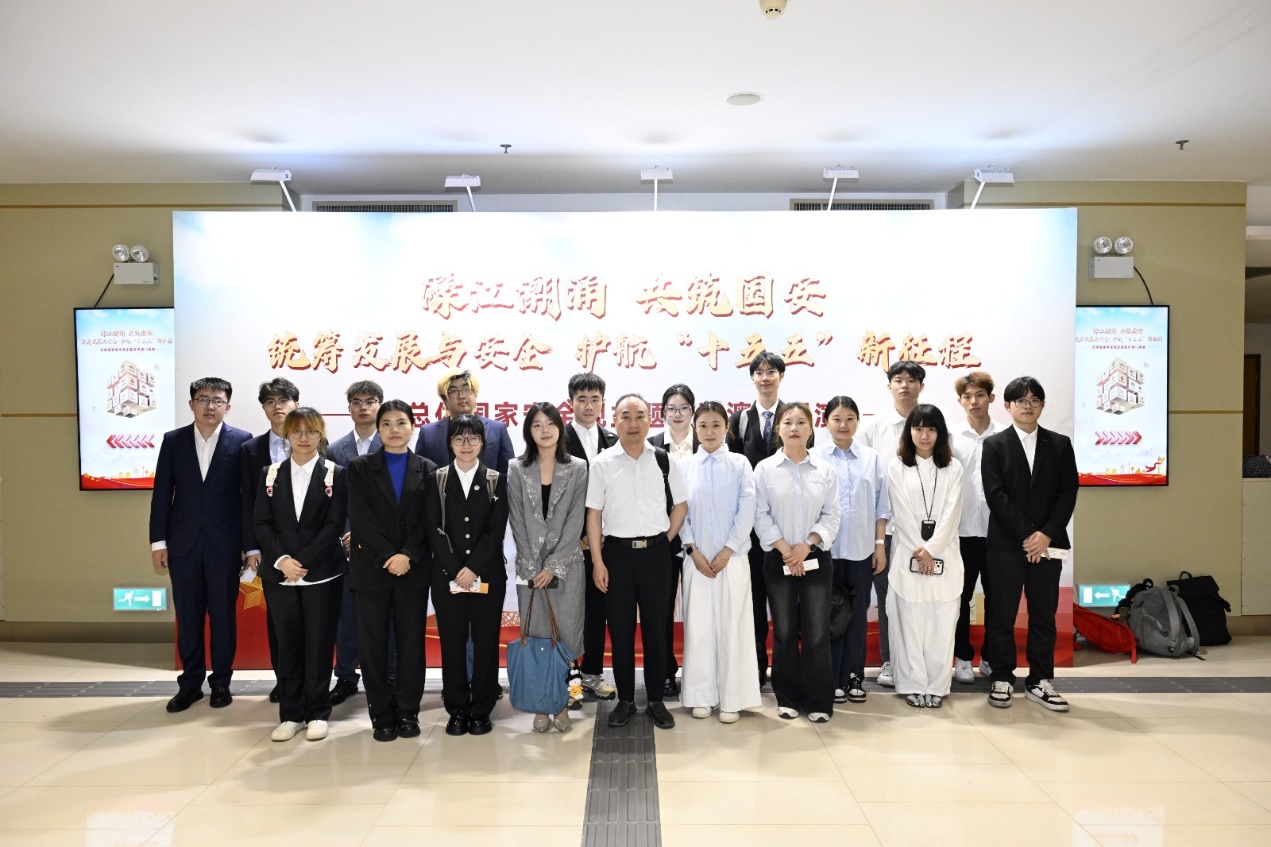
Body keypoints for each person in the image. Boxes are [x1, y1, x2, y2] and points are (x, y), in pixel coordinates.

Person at [149, 377, 253, 712]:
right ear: (191, 403)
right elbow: (162, 494)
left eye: (217, 400)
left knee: (223, 616)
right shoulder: (174, 441)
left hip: (225, 544)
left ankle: (221, 683)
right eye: (203, 399)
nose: (210, 406)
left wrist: (249, 544)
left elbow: (247, 498)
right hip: (183, 544)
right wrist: (158, 542)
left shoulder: (243, 441)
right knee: (189, 616)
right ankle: (190, 684)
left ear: (228, 406)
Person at [586, 394, 688, 731]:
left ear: (650, 420)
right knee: (621, 630)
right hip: (616, 555)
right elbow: (594, 514)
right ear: (614, 421)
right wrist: (598, 562)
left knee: (657, 629)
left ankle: (656, 699)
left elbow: (681, 505)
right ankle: (626, 699)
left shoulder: (663, 459)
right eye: (626, 416)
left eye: (640, 416)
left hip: (656, 555)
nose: (633, 423)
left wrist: (664, 541)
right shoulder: (602, 463)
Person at [981, 376, 1079, 712]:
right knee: (1001, 614)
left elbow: (1068, 492)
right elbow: (996, 495)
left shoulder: (1060, 444)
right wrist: (1028, 536)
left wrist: (1046, 534)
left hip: (1050, 544)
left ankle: (1040, 680)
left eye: (1034, 400)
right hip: (1007, 546)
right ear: (1007, 406)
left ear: (1042, 405)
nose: (1027, 406)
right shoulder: (994, 445)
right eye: (1020, 401)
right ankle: (1002, 677)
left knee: (1044, 615)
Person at [253, 407, 347, 742]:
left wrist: (302, 561)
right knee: (287, 644)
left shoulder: (336, 473)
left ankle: (318, 712)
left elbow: (334, 524)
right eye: (296, 431)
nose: (304, 438)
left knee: (319, 644)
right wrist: (282, 561)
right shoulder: (270, 473)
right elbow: (261, 523)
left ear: (321, 434)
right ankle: (291, 714)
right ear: (287, 435)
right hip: (280, 575)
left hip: (322, 573)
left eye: (311, 431)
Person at [346, 400, 435, 742]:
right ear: (378, 429)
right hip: (372, 569)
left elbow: (429, 520)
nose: (394, 430)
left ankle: (408, 711)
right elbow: (360, 517)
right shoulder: (359, 467)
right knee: (373, 644)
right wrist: (388, 556)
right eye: (386, 423)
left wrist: (408, 554)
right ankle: (381, 713)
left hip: (413, 570)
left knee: (411, 642)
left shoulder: (428, 469)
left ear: (413, 427)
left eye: (401, 423)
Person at [753, 402, 840, 723]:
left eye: (801, 422)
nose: (794, 428)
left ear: (811, 429)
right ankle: (787, 697)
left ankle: (819, 700)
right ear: (778, 429)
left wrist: (807, 545)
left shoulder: (825, 470)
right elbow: (759, 514)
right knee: (785, 630)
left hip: (815, 558)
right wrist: (786, 550)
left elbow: (832, 515)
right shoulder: (764, 470)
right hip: (778, 559)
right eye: (787, 422)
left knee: (817, 632)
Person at [425, 414, 510, 736]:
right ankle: (457, 709)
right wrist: (455, 570)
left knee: (486, 642)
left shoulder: (495, 480)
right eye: (459, 438)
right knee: (453, 643)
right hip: (447, 578)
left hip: (487, 575)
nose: (466, 444)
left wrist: (472, 569)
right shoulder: (437, 479)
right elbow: (433, 528)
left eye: (472, 438)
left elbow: (495, 530)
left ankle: (482, 709)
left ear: (482, 443)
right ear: (450, 442)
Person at [507, 402, 588, 733]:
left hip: (566, 567)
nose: (544, 430)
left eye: (550, 424)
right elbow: (516, 517)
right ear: (529, 431)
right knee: (536, 637)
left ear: (560, 428)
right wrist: (532, 565)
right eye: (537, 425)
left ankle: (564, 703)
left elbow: (576, 520)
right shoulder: (516, 468)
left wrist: (553, 565)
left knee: (566, 639)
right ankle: (540, 705)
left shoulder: (578, 467)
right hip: (530, 569)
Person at [677, 401, 760, 723]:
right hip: (696, 561)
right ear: (694, 428)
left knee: (732, 628)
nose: (709, 432)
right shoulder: (684, 466)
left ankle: (732, 698)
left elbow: (747, 509)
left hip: (732, 560)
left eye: (715, 425)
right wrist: (693, 550)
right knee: (699, 628)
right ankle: (701, 695)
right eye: (703, 425)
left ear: (726, 428)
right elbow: (679, 512)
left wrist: (728, 550)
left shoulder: (740, 464)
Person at [886, 404, 964, 708]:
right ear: (909, 432)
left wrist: (931, 550)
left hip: (944, 555)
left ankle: (937, 686)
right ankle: (912, 684)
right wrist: (921, 551)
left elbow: (952, 514)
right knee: (909, 624)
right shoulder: (897, 466)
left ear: (940, 433)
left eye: (931, 429)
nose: (924, 435)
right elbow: (901, 514)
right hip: (908, 555)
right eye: (918, 428)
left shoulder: (953, 468)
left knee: (941, 625)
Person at [857, 359, 926, 688]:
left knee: (917, 599)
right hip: (884, 530)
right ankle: (888, 660)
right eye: (898, 380)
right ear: (889, 387)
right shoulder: (873, 428)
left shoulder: (931, 425)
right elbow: (864, 480)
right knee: (886, 599)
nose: (904, 385)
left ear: (921, 386)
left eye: (911, 380)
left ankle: (917, 662)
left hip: (922, 532)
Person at [819, 396, 890, 705]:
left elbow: (881, 507)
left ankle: (853, 676)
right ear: (826, 422)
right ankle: (831, 677)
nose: (843, 425)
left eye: (849, 418)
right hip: (826, 551)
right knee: (829, 615)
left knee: (857, 615)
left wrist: (879, 545)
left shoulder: (871, 458)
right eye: (837, 418)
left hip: (861, 551)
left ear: (858, 422)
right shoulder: (815, 457)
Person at [725, 351, 787, 692]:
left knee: (785, 606)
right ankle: (755, 669)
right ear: (752, 378)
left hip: (785, 529)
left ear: (781, 376)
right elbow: (735, 472)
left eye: (771, 371)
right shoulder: (738, 420)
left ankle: (786, 671)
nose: (765, 377)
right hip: (749, 531)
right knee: (752, 604)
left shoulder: (794, 417)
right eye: (759, 372)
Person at [240, 377, 300, 703]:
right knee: (278, 619)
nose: (277, 407)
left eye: (283, 400)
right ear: (263, 408)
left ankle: (311, 679)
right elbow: (246, 501)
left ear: (295, 404)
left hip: (308, 545)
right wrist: (252, 546)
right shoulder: (250, 450)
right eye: (270, 401)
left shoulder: (315, 443)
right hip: (270, 546)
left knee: (311, 618)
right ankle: (284, 680)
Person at [325, 380, 384, 706]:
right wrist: (346, 536)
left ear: (380, 405)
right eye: (357, 402)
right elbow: (332, 503)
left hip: (384, 548)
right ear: (349, 408)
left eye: (370, 401)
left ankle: (388, 675)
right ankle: (346, 676)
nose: (363, 407)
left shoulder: (394, 444)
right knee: (346, 618)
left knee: (385, 619)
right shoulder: (335, 450)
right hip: (345, 549)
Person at [562, 372, 619, 702]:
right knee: (570, 615)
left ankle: (593, 675)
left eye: (594, 399)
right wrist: (579, 535)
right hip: (570, 544)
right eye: (581, 399)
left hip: (607, 543)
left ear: (602, 403)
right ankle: (570, 683)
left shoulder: (613, 439)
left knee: (598, 611)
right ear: (570, 402)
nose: (588, 405)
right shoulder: (558, 439)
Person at [949, 371, 1003, 684]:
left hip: (998, 533)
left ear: (991, 398)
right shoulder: (951, 437)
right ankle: (963, 658)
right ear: (960, 401)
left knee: (997, 599)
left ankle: (991, 657)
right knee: (960, 598)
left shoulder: (1005, 435)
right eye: (967, 396)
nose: (974, 401)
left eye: (980, 395)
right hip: (962, 532)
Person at [647, 382, 696, 699]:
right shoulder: (651, 446)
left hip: (702, 541)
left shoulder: (707, 441)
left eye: (684, 408)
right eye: (671, 409)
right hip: (663, 541)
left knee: (700, 608)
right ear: (662, 412)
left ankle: (701, 672)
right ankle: (665, 671)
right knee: (661, 610)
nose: (678, 414)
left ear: (693, 411)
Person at [414, 368, 514, 474]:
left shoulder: (497, 429)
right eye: (453, 391)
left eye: (466, 389)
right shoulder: (428, 433)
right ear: (444, 399)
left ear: (475, 393)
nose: (461, 396)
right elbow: (419, 475)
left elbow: (508, 475)